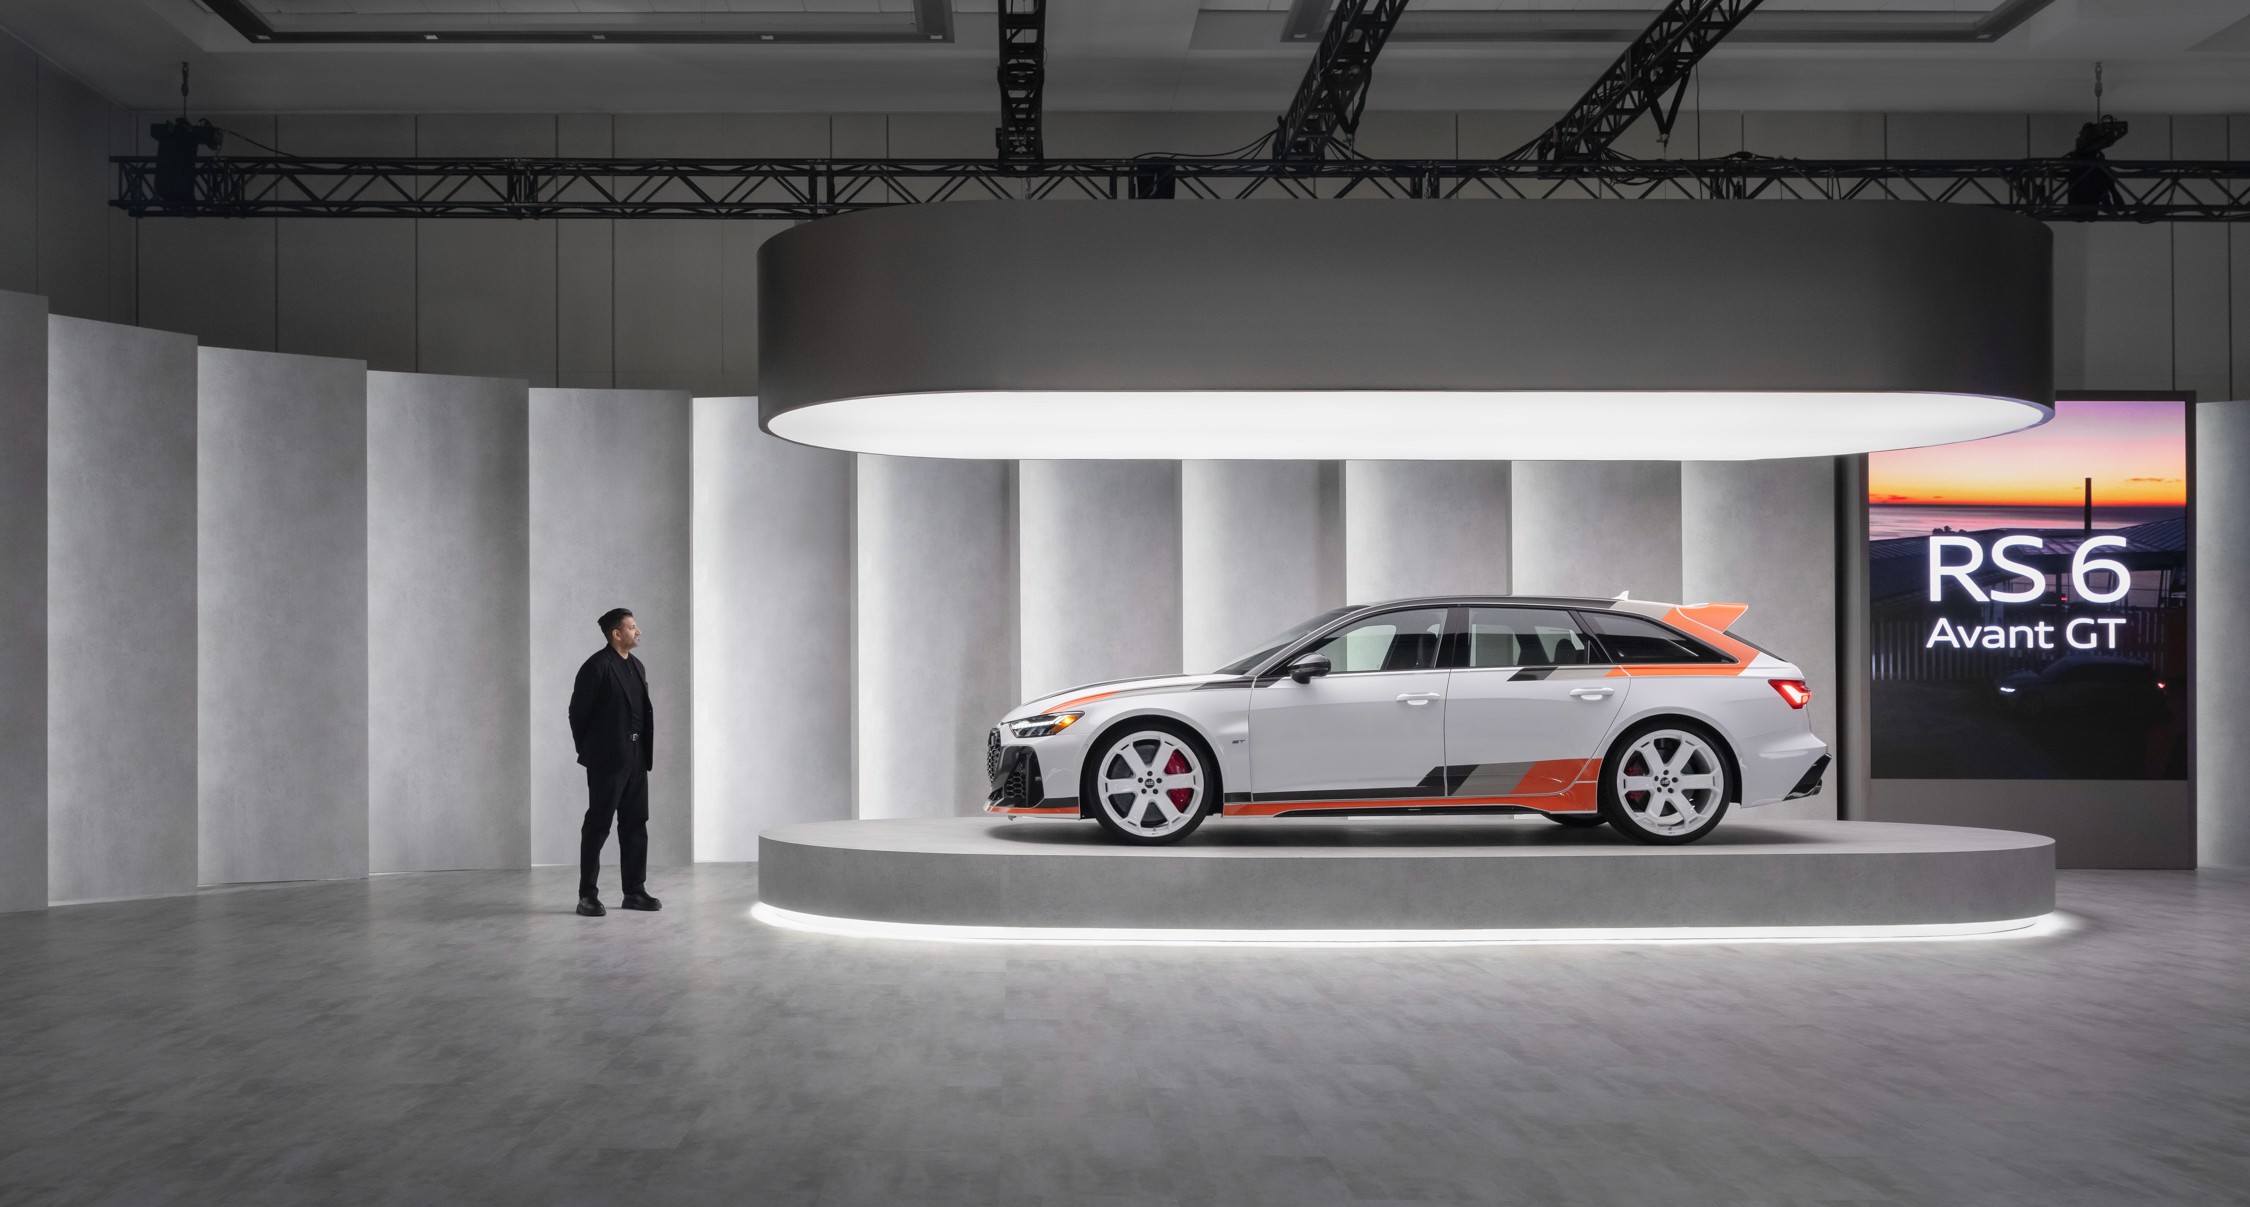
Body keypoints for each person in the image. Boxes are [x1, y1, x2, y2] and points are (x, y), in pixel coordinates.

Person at [568, 607, 661, 917]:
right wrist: (593, 753)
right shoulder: (597, 667)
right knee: (598, 825)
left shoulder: (638, 667)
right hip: (608, 760)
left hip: (637, 758)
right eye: (632, 627)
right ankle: (587, 896)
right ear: (616, 634)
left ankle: (634, 891)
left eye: (636, 626)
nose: (638, 631)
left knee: (636, 823)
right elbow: (577, 714)